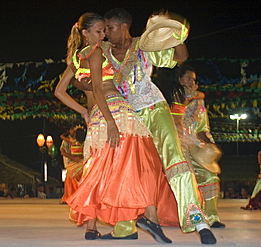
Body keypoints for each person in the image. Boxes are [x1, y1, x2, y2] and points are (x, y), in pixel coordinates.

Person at [54, 12, 172, 243]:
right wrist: (110, 122)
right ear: (85, 33)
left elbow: (59, 91)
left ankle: (93, 226)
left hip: (99, 116)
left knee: (102, 167)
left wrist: (84, 111)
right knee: (139, 164)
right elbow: (98, 89)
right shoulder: (97, 52)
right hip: (115, 113)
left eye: (105, 30)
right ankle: (149, 218)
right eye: (99, 31)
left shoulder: (77, 58)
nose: (104, 35)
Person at [102, 8, 216, 244]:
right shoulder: (102, 54)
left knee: (175, 162)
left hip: (154, 109)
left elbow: (179, 58)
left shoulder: (143, 46)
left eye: (110, 28)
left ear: (124, 27)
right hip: (126, 117)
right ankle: (125, 227)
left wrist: (177, 35)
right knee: (127, 170)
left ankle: (199, 222)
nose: (106, 33)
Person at [174, 65, 225, 228]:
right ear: (179, 79)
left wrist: (210, 145)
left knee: (211, 177)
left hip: (195, 146)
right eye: (187, 78)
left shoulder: (199, 101)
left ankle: (212, 217)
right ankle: (191, 220)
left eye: (193, 79)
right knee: (185, 182)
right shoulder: (171, 97)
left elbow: (203, 127)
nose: (191, 81)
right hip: (175, 147)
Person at [59, 126, 86, 202]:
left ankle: (71, 196)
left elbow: (61, 136)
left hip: (76, 163)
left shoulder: (72, 141)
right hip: (80, 163)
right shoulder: (80, 142)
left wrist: (68, 131)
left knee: (70, 179)